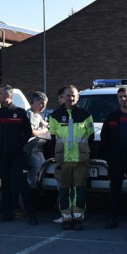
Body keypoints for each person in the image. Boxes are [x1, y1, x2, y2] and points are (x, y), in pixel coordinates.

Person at [0, 84, 37, 225]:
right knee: (5, 184)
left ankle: (31, 214)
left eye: (0, 94)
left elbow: (27, 131)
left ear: (8, 96)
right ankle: (6, 213)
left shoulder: (20, 113)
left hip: (16, 156)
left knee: (21, 184)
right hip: (1, 156)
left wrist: (18, 145)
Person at [49, 85, 94, 230]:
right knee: (64, 191)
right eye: (68, 95)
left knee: (79, 191)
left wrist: (84, 152)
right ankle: (67, 218)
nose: (71, 98)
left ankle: (78, 218)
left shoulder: (85, 114)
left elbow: (90, 136)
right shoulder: (55, 115)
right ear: (63, 96)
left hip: (80, 159)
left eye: (73, 95)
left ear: (78, 97)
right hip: (63, 160)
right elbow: (53, 137)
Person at [99, 86, 127, 229]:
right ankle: (112, 218)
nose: (123, 99)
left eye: (125, 96)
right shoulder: (112, 117)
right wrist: (109, 156)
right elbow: (105, 138)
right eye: (120, 97)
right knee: (115, 190)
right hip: (116, 160)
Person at [24, 91, 51, 191]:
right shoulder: (29, 114)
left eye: (45, 105)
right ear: (34, 102)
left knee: (43, 165)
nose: (43, 107)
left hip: (36, 147)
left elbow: (47, 125)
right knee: (37, 165)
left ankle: (38, 187)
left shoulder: (38, 116)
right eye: (41, 104)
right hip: (28, 148)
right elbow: (32, 132)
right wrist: (44, 130)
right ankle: (32, 187)